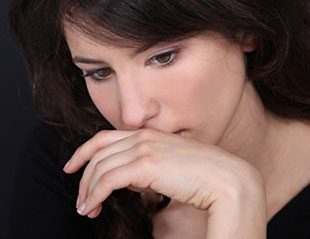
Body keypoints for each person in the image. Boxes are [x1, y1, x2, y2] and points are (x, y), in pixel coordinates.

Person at [7, 0, 309, 238]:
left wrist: (236, 203)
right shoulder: (66, 161)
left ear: (245, 30)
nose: (132, 114)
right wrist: (237, 191)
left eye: (163, 57)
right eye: (100, 73)